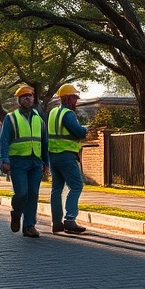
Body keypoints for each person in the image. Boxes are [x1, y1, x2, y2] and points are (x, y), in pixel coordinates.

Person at [0, 85, 49, 238]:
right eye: (24, 96)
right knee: (22, 193)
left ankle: (29, 226)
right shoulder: (11, 118)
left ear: (34, 99)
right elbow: (4, 140)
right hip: (18, 162)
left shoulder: (38, 119)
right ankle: (16, 213)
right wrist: (4, 160)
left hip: (36, 162)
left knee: (33, 194)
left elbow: (44, 142)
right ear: (19, 100)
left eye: (30, 96)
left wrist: (46, 162)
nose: (28, 98)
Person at [47, 83, 89, 234]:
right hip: (66, 155)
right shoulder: (68, 114)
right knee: (77, 186)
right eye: (74, 98)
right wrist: (86, 130)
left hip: (53, 156)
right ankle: (70, 220)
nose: (76, 101)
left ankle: (56, 223)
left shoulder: (52, 112)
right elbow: (77, 132)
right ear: (68, 99)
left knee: (56, 190)